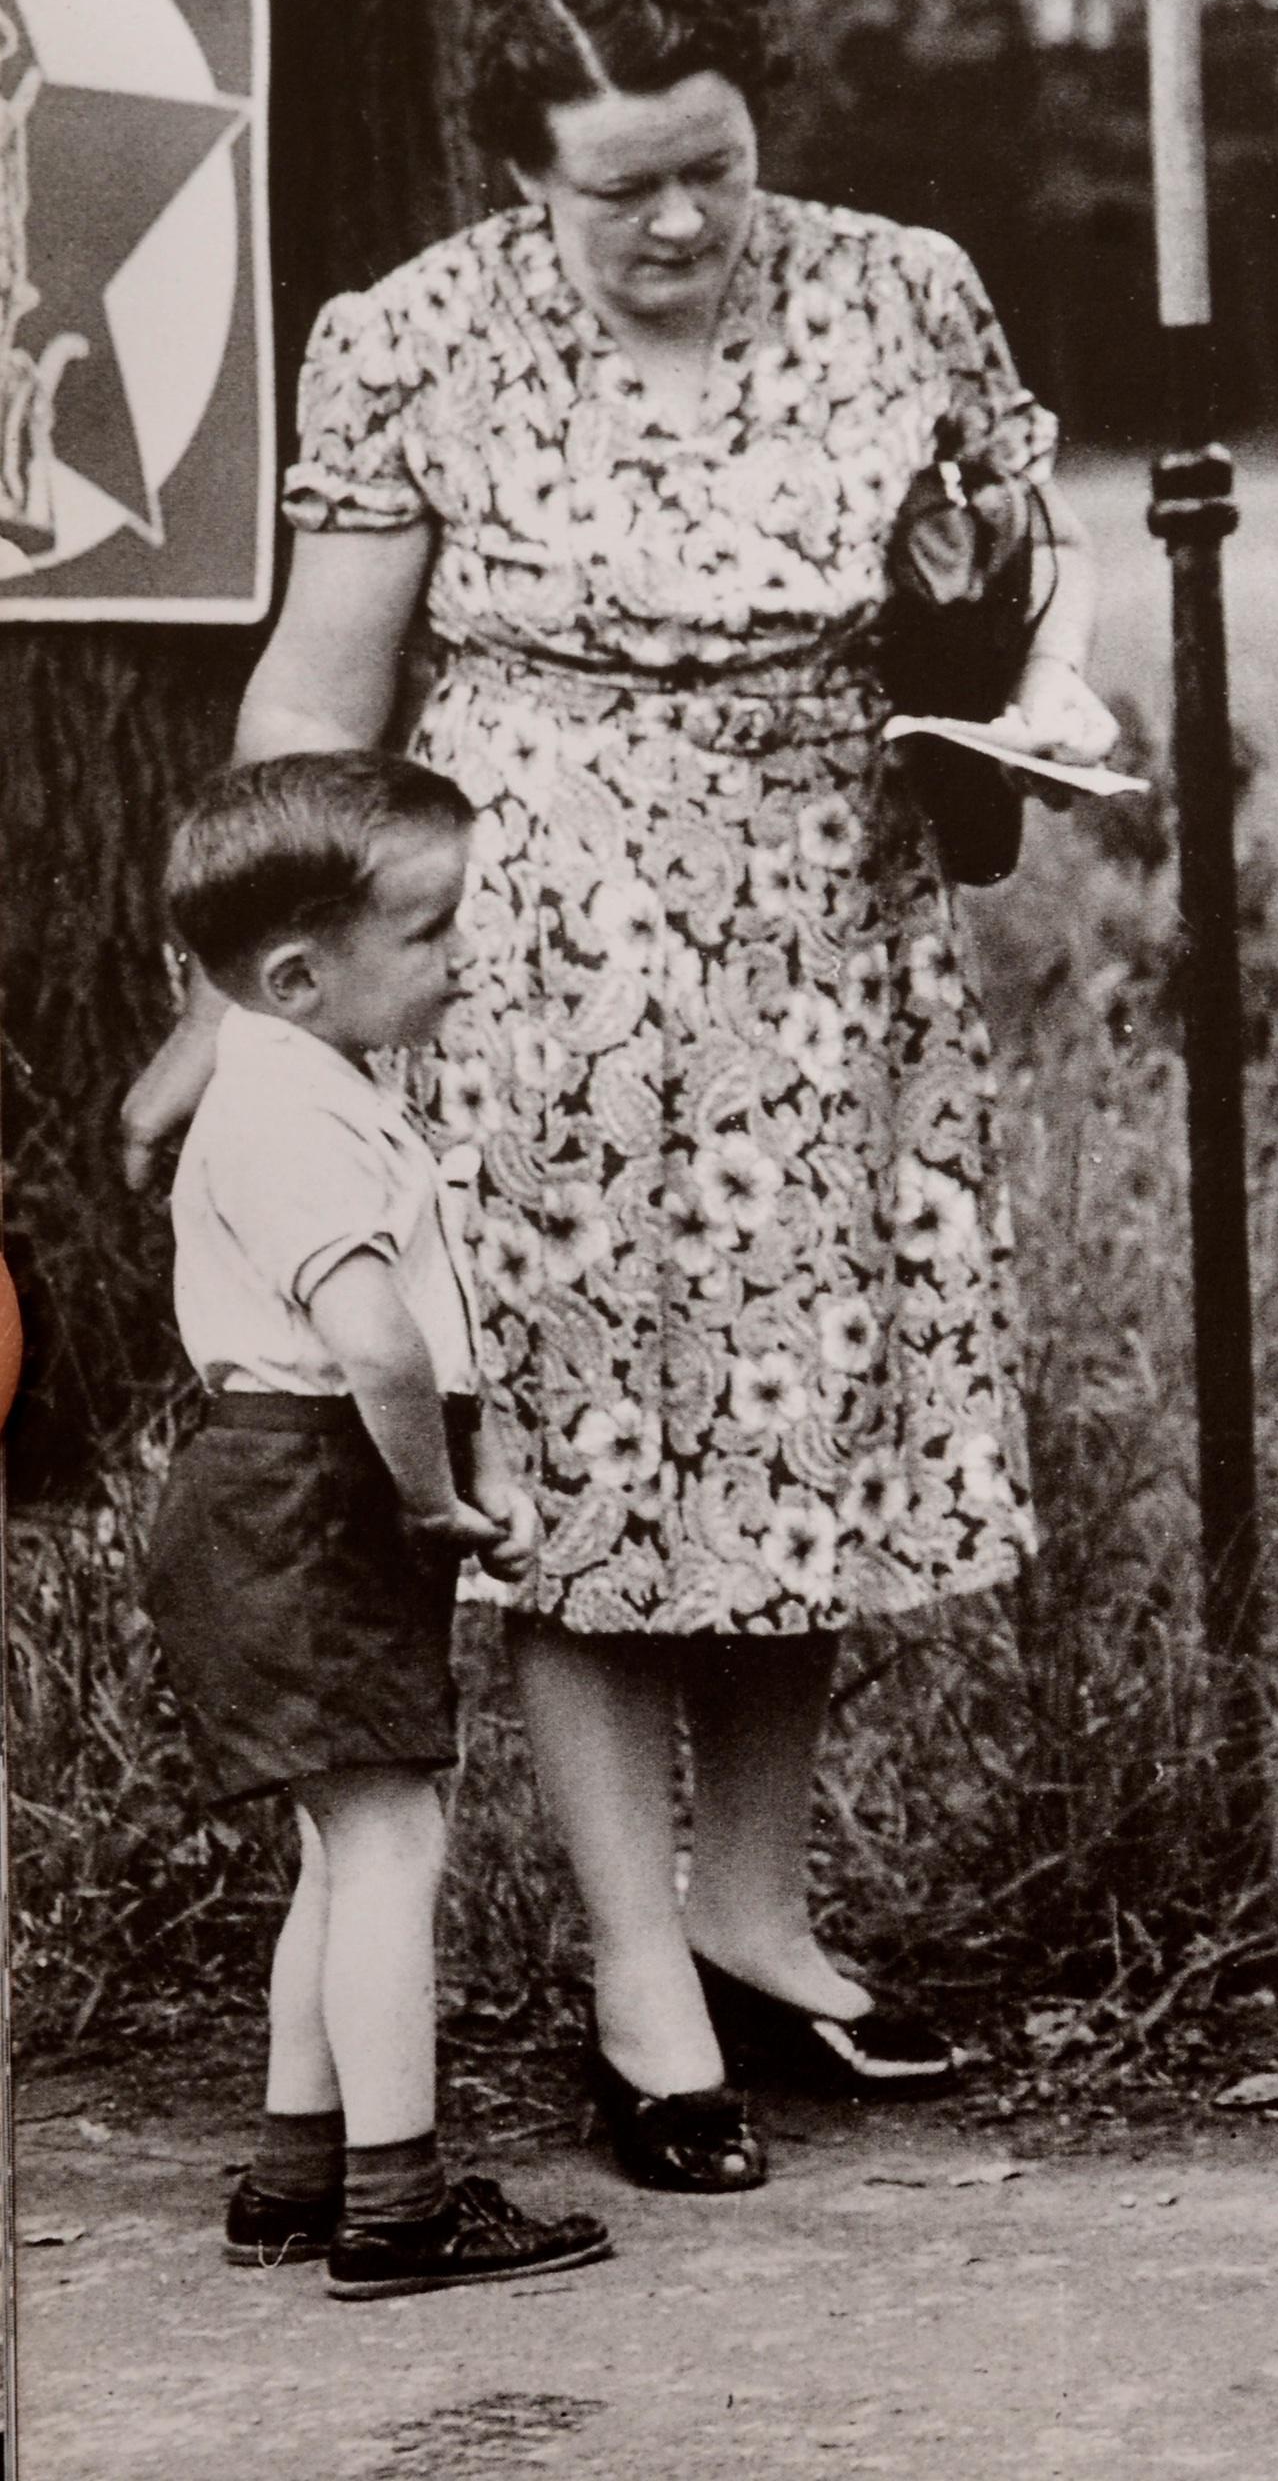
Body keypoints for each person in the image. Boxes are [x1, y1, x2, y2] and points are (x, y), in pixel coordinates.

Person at [116, 0, 1111, 2195]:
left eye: (712, 172)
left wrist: (1004, 673)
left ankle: (753, 1917)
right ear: (520, 179)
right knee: (579, 1466)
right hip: (527, 961)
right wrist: (226, 1008)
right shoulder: (415, 337)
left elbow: (1017, 590)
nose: (676, 226)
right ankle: (633, 1980)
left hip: (828, 934)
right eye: (617, 192)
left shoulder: (904, 293)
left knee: (794, 1437)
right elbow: (319, 703)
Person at [144, 753, 612, 2298]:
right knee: (392, 1842)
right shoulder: (292, 1114)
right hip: (315, 1491)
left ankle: (298, 2169)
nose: (465, 957)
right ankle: (398, 2203)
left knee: (340, 1845)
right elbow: (380, 1343)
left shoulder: (297, 1083)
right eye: (432, 932)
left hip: (284, 1490)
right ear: (295, 973)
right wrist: (429, 1497)